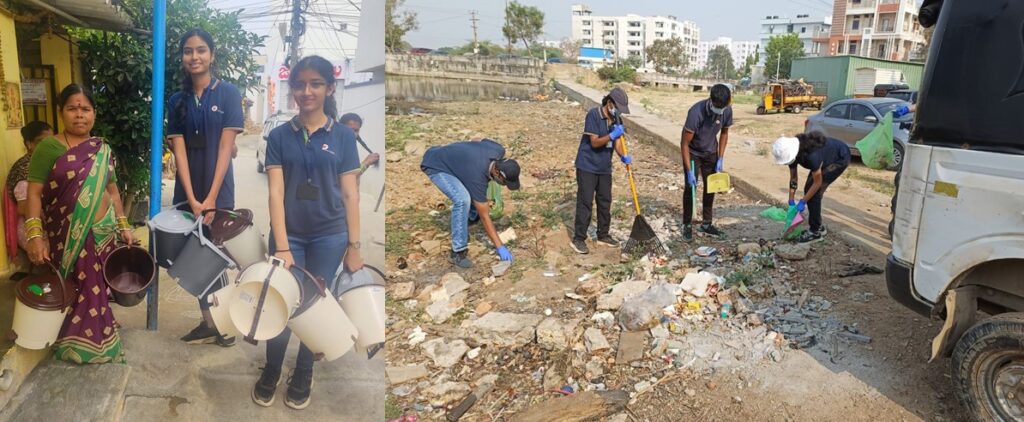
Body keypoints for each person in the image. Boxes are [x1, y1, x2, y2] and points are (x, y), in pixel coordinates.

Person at [253, 55, 363, 410]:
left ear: (330, 88)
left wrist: (354, 245)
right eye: (300, 84)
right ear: (293, 89)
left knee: (315, 304)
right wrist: (282, 247)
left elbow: (350, 193)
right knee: (282, 301)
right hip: (291, 236)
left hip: (330, 236)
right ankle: (271, 368)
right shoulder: (280, 136)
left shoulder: (344, 137)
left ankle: (303, 371)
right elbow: (276, 193)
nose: (306, 91)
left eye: (315, 84)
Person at [25, 84, 133, 363]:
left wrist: (124, 226)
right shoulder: (49, 147)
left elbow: (112, 191)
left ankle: (100, 334)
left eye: (85, 108)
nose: (79, 115)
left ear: (94, 113)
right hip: (67, 233)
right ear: (61, 113)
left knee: (98, 288)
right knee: (78, 287)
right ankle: (76, 344)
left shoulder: (101, 149)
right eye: (72, 108)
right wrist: (35, 236)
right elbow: (34, 193)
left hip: (102, 232)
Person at [166, 29, 244, 347]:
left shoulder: (227, 94)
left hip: (219, 193)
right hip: (188, 194)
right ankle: (208, 321)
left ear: (211, 54)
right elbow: (179, 151)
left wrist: (210, 199)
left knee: (213, 258)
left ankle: (224, 325)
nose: (194, 57)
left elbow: (226, 149)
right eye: (188, 51)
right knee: (193, 261)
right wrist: (191, 197)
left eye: (200, 50)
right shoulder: (177, 100)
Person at [420, 138, 520, 268]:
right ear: (497, 172)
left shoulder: (498, 150)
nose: (503, 185)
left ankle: (471, 217)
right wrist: (500, 246)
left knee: (476, 191)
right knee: (462, 200)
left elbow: (478, 140)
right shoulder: (476, 177)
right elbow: (485, 216)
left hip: (449, 157)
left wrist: (463, 153)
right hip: (436, 165)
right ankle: (457, 252)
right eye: (504, 182)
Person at [571, 87, 632, 255]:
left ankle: (603, 234)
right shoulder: (593, 114)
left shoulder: (617, 120)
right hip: (587, 166)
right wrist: (611, 136)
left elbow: (619, 143)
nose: (618, 112)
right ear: (610, 102)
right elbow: (595, 142)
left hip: (604, 167)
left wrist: (623, 156)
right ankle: (579, 239)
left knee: (605, 201)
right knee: (585, 202)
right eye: (617, 107)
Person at [771, 131, 851, 243]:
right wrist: (791, 200)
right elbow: (793, 178)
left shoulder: (811, 156)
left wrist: (803, 202)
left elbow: (817, 183)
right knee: (809, 191)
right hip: (826, 157)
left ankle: (816, 232)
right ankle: (818, 226)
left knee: (814, 194)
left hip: (839, 158)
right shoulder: (793, 154)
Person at [681, 84, 733, 241]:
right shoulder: (696, 113)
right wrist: (689, 171)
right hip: (693, 152)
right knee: (691, 188)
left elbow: (724, 133)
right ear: (711, 100)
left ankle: (707, 223)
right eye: (718, 107)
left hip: (711, 152)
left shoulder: (727, 109)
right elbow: (684, 143)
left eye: (723, 107)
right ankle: (687, 225)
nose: (720, 110)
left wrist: (721, 157)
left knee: (711, 187)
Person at [5, 121, 53, 258]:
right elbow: (23, 207)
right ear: (29, 144)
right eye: (41, 142)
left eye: (52, 141)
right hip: (31, 228)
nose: (48, 146)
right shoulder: (26, 169)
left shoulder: (45, 162)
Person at [338, 112, 381, 179]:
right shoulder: (335, 147)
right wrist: (366, 162)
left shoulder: (349, 147)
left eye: (356, 130)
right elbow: (347, 178)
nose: (353, 134)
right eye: (350, 130)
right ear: (340, 128)